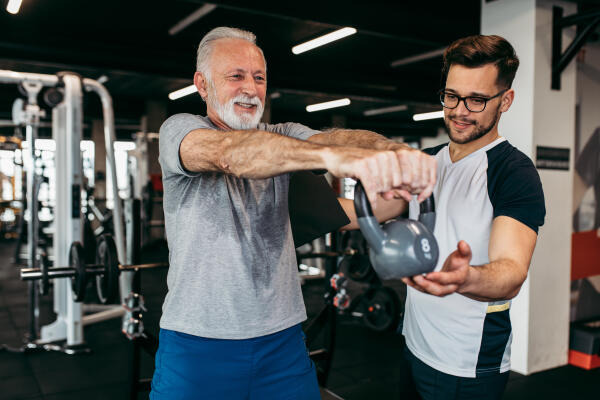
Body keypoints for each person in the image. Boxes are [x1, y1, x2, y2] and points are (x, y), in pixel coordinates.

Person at [150, 26, 436, 400]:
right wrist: (332, 160)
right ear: (202, 85)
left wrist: (393, 151)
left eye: (259, 77)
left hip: (282, 343)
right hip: (198, 344)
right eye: (236, 76)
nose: (250, 89)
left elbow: (335, 138)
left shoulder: (282, 133)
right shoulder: (181, 130)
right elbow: (230, 154)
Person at [393, 35, 546, 400]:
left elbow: (511, 271)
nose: (459, 110)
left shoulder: (513, 171)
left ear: (504, 101)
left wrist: (465, 277)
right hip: (414, 341)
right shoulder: (426, 162)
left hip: (466, 361)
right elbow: (365, 213)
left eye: (477, 100)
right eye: (451, 95)